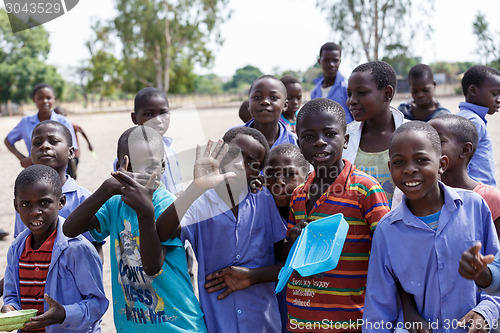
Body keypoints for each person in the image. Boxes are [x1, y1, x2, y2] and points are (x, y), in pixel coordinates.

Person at [63, 126, 207, 332]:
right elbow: (70, 228)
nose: (142, 173)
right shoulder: (115, 203)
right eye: (133, 165)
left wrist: (145, 211)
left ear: (163, 167)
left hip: (178, 326)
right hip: (133, 325)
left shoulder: (165, 204)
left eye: (151, 166)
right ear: (119, 165)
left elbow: (152, 267)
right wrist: (107, 187)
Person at [363, 121, 500, 333]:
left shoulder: (475, 207)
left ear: (442, 164)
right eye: (399, 162)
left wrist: (487, 310)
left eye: (421, 160)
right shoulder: (387, 231)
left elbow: (496, 273)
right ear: (390, 168)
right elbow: (378, 308)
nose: (409, 170)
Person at [156, 127, 287, 332]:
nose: (240, 165)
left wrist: (253, 275)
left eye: (252, 163)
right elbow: (162, 232)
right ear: (218, 152)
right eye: (233, 154)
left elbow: (283, 255)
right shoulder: (200, 201)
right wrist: (197, 187)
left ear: (258, 171)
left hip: (263, 321)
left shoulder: (263, 198)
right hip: (218, 321)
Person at [287, 98, 390, 332]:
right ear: (298, 142)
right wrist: (293, 239)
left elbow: (388, 250)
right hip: (302, 316)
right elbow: (291, 256)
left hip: (351, 319)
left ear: (345, 140)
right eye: (309, 136)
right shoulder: (298, 195)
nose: (320, 142)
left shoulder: (365, 188)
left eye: (329, 134)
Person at [2, 164, 108, 332]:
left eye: (44, 202)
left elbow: (97, 304)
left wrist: (64, 314)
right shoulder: (17, 249)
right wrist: (10, 308)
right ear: (16, 206)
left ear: (61, 202)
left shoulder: (77, 249)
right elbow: (12, 293)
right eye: (26, 204)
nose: (35, 211)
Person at [12, 120, 102, 255]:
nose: (44, 146)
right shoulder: (25, 199)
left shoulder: (83, 198)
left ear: (71, 152)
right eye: (37, 143)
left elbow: (95, 246)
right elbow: (19, 245)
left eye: (53, 141)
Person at [344, 61, 405, 207]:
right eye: (349, 94)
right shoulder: (343, 138)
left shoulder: (415, 135)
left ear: (387, 94)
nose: (351, 101)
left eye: (362, 93)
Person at [429, 114, 500, 236]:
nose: (426, 149)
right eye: (425, 142)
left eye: (438, 142)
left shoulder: (490, 198)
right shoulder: (423, 195)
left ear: (465, 150)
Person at [264, 143, 309, 332]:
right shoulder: (260, 211)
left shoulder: (310, 213)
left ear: (306, 178)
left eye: (290, 174)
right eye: (272, 174)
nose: (279, 181)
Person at [114, 87, 183, 196]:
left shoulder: (171, 151)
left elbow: (178, 187)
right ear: (134, 118)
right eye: (148, 114)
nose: (158, 120)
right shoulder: (128, 158)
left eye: (163, 113)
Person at [4, 83, 78, 169]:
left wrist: (33, 159)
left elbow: (73, 148)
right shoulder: (26, 122)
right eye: (40, 98)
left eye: (48, 98)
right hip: (35, 171)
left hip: (59, 172)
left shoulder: (64, 122)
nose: (45, 101)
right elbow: (8, 140)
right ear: (34, 100)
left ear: (54, 99)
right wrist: (22, 158)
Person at [457, 65, 500, 187]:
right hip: (478, 192)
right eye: (495, 93)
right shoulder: (473, 121)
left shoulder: (464, 117)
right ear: (473, 91)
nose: (498, 99)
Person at [244, 75, 297, 149]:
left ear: (285, 105)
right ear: (248, 105)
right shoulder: (234, 140)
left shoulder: (295, 143)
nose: (265, 102)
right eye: (257, 97)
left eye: (273, 97)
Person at [310, 42, 352, 123]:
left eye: (335, 60)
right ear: (319, 61)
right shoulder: (315, 92)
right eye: (327, 60)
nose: (331, 64)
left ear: (340, 61)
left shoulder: (347, 88)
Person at [53, 106, 94, 180]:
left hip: (74, 154)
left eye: (60, 114)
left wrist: (89, 144)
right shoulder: (53, 127)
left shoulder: (71, 124)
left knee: (72, 173)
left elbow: (82, 131)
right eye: (56, 114)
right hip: (60, 155)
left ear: (65, 115)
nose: (59, 117)